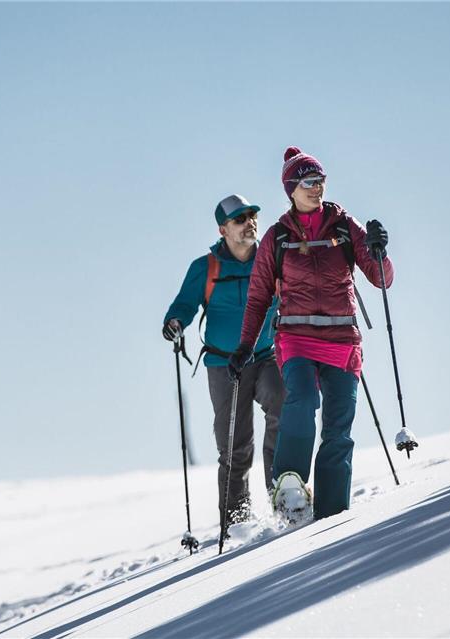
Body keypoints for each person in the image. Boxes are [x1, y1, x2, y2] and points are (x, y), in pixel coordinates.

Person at [228, 147, 393, 521]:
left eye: (320, 181)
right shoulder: (278, 238)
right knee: (301, 400)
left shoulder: (343, 225)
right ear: (291, 188)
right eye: (308, 182)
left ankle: (331, 519)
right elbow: (257, 298)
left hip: (342, 342)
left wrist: (379, 250)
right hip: (297, 337)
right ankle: (289, 483)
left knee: (338, 430)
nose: (317, 188)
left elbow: (382, 279)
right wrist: (244, 346)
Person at [163, 194, 284, 525]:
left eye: (252, 216)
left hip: (265, 355)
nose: (250, 223)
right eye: (240, 219)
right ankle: (237, 523)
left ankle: (284, 499)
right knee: (235, 446)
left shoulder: (273, 258)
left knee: (282, 406)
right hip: (224, 366)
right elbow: (184, 305)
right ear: (223, 229)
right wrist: (174, 323)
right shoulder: (206, 268)